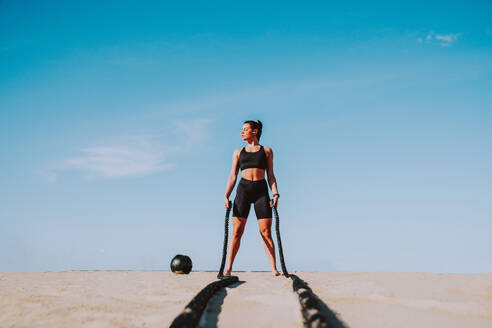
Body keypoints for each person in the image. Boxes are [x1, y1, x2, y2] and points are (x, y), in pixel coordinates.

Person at [223, 120, 281, 276]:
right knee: (237, 231)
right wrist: (226, 195)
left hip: (261, 192)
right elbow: (233, 175)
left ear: (254, 131)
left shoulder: (267, 151)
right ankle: (228, 267)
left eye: (245, 129)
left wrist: (275, 193)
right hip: (243, 191)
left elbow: (271, 176)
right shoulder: (237, 152)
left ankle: (274, 269)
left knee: (266, 232)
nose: (242, 132)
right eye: (241, 129)